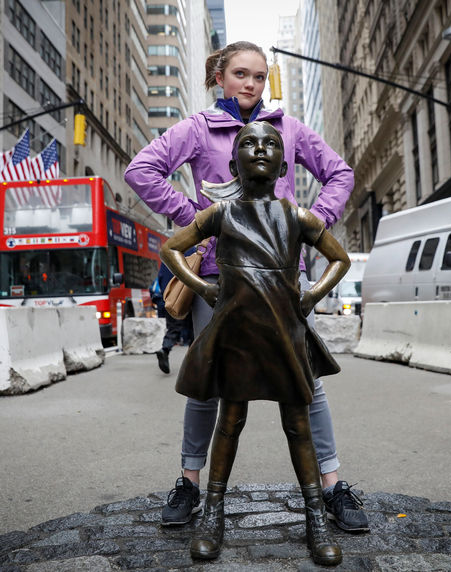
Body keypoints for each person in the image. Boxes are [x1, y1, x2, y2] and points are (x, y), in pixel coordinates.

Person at [125, 41, 368, 533]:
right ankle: (190, 482)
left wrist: (314, 221)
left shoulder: (290, 130)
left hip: (285, 280)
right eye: (240, 74)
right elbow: (140, 170)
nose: (250, 85)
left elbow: (340, 173)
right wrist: (192, 216)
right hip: (218, 277)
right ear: (220, 76)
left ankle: (332, 485)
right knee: (208, 386)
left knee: (308, 385)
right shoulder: (197, 129)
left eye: (258, 76)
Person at [160, 121, 350, 564]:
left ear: (284, 164)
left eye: (270, 144)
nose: (260, 149)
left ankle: (315, 518)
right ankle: (214, 514)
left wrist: (310, 295)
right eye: (249, 143)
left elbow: (338, 259)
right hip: (237, 334)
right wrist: (205, 289)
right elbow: (171, 248)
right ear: (233, 162)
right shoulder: (221, 214)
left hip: (286, 333)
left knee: (298, 425)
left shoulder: (296, 216)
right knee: (230, 422)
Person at [150, 251, 195, 374]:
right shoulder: (195, 251)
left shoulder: (168, 254)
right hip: (189, 296)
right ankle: (192, 362)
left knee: (173, 328)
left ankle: (165, 349)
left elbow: (160, 278)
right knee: (193, 331)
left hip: (171, 298)